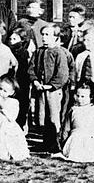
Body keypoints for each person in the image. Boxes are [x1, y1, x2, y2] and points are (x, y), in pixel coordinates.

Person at [29, 23, 73, 153]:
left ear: (56, 38)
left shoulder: (59, 53)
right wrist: (35, 81)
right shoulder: (38, 51)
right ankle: (46, 143)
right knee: (42, 116)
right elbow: (31, 69)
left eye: (47, 35)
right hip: (40, 89)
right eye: (43, 34)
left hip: (53, 90)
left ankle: (56, 144)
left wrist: (51, 85)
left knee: (54, 117)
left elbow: (63, 74)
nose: (44, 37)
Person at [60, 84, 94, 163]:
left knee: (92, 149)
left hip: (91, 137)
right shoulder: (73, 110)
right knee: (75, 150)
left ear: (90, 97)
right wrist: (64, 142)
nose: (79, 99)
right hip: (76, 137)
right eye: (77, 96)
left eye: (83, 97)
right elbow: (66, 128)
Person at [7, 27, 31, 128]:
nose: (12, 42)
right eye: (10, 39)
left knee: (21, 103)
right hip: (12, 80)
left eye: (15, 39)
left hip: (21, 81)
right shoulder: (8, 50)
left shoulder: (23, 52)